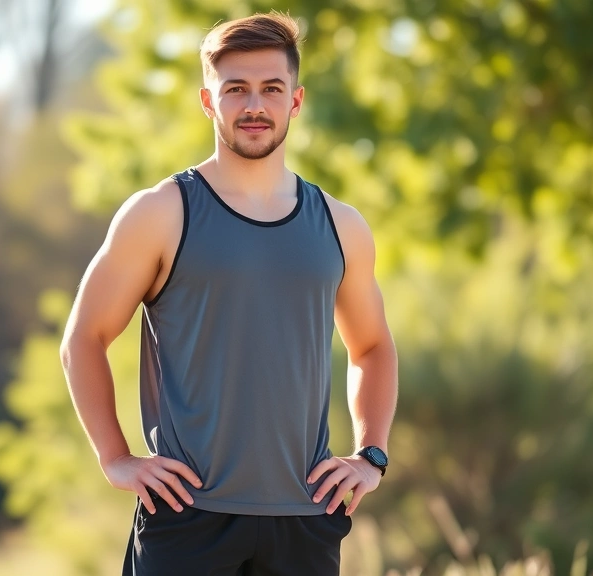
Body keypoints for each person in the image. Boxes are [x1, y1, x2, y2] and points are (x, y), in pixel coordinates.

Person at [59, 11, 398, 575]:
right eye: (235, 89)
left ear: (296, 100)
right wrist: (116, 459)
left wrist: (371, 455)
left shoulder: (341, 226)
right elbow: (84, 339)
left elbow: (373, 349)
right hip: (186, 515)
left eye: (271, 89)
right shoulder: (160, 212)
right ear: (207, 101)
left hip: (306, 518)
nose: (254, 106)